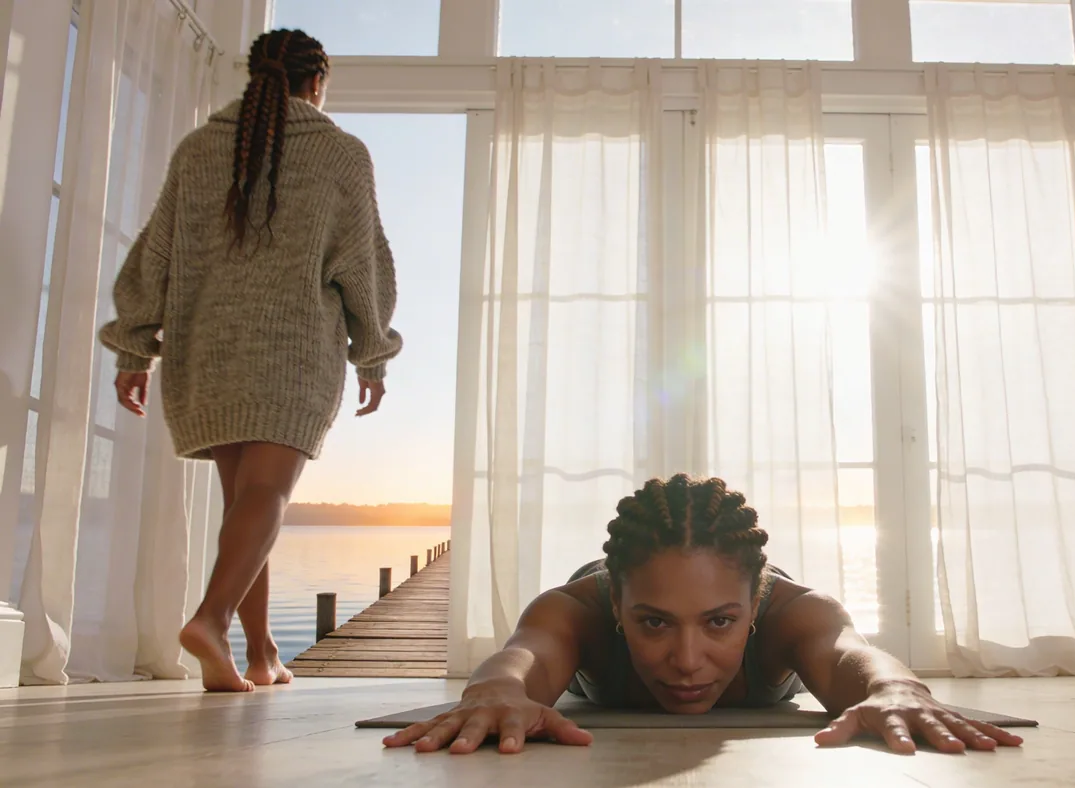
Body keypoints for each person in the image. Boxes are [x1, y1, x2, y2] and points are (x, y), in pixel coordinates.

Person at [99, 29, 402, 692]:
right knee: (267, 496)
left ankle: (260, 652)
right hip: (292, 350)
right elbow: (362, 265)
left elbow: (156, 254)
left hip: (203, 347)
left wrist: (133, 346)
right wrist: (373, 354)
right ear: (316, 82)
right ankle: (209, 618)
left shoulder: (200, 148)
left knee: (244, 503)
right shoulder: (340, 154)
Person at [383, 474, 1024, 755]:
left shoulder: (794, 615)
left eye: (720, 622)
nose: (687, 662)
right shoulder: (575, 609)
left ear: (754, 603)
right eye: (653, 622)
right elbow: (519, 661)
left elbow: (853, 655)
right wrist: (494, 693)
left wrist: (897, 691)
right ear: (616, 604)